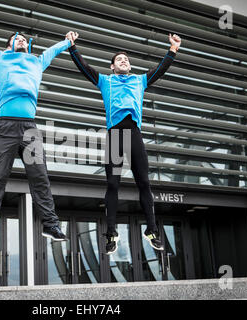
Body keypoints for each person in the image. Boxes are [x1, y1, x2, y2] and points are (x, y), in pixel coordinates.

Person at [0, 8, 74, 242]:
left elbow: (53, 50)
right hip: (6, 127)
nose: (20, 40)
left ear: (27, 45)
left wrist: (67, 42)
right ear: (9, 45)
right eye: (15, 38)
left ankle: (51, 225)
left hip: (30, 129)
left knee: (40, 178)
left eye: (23, 39)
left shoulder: (37, 61)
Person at [67, 31, 182, 254]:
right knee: (112, 184)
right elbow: (84, 67)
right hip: (115, 134)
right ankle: (111, 233)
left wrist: (173, 48)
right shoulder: (105, 81)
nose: (124, 61)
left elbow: (161, 69)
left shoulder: (140, 80)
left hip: (134, 133)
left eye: (126, 60)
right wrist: (72, 47)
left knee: (144, 183)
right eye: (119, 59)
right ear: (112, 66)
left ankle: (152, 230)